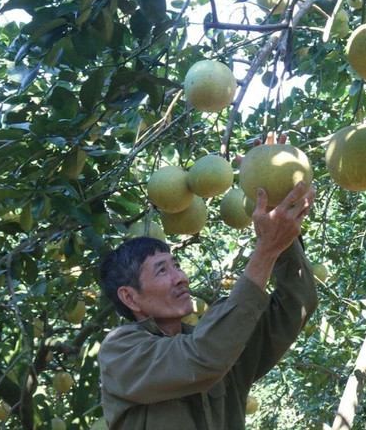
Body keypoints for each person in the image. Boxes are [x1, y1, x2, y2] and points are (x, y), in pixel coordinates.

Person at [98, 180, 318, 429]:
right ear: (130, 297)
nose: (180, 277)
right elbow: (202, 357)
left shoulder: (221, 342)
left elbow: (298, 303)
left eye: (177, 265)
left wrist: (278, 219)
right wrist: (266, 249)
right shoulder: (121, 351)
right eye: (161, 271)